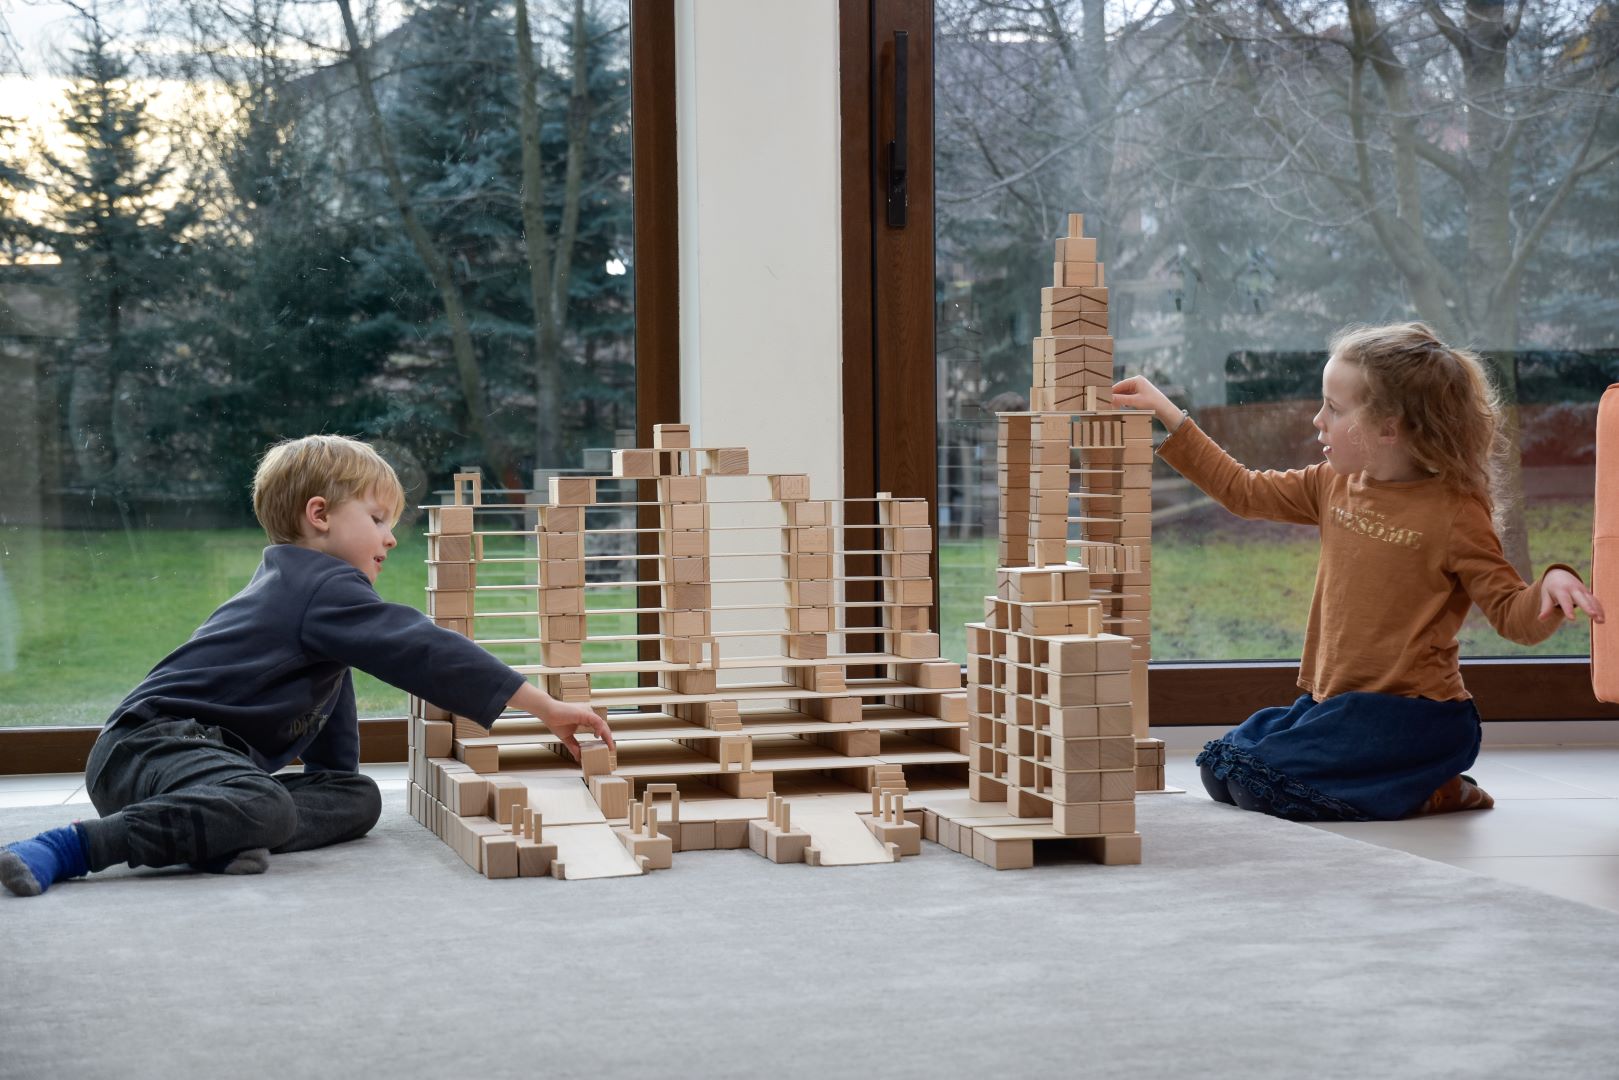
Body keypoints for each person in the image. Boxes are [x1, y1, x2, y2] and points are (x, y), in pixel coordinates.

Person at [0, 435, 613, 896]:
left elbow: (331, 722)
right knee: (264, 804)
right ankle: (72, 846)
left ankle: (220, 829)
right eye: (377, 520)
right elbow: (427, 649)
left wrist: (333, 776)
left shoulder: (310, 597)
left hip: (203, 765)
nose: (390, 539)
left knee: (358, 798)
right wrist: (546, 706)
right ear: (319, 517)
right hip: (151, 749)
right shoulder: (320, 587)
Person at [1111, 322, 1604, 821]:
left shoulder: (1454, 512)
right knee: (1222, 770)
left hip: (1416, 719)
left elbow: (1508, 613)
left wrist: (1550, 585)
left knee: (1260, 785)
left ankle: (1434, 787)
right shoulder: (1333, 484)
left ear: (1389, 427)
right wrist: (1169, 415)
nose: (1317, 420)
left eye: (1334, 408)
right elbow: (1242, 491)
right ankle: (1399, 782)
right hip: (1336, 708)